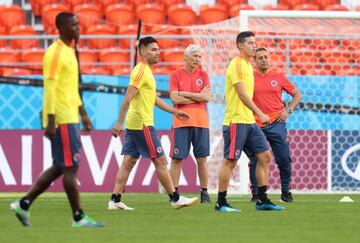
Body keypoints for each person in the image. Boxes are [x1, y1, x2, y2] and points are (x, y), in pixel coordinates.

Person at [10, 12, 103, 227]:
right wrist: (51, 120)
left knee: (60, 167)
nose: (78, 28)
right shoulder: (54, 53)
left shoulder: (70, 51)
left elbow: (70, 89)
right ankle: (78, 217)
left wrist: (84, 114)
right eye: (74, 25)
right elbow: (50, 88)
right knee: (69, 168)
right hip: (61, 119)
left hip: (70, 116)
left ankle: (23, 205)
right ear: (61, 27)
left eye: (79, 24)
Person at [108, 36, 198, 210]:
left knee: (128, 162)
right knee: (161, 161)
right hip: (142, 123)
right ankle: (175, 198)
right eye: (153, 50)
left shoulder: (147, 72)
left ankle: (115, 200)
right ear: (142, 51)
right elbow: (128, 96)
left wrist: (175, 111)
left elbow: (154, 99)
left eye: (158, 50)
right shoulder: (141, 70)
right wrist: (119, 122)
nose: (158, 53)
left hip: (136, 123)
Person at [215, 31, 284, 212]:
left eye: (255, 42)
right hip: (236, 121)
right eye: (251, 43)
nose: (254, 46)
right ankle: (220, 202)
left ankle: (262, 199)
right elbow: (242, 94)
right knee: (230, 161)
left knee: (265, 157)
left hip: (249, 122)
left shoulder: (247, 67)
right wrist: (260, 113)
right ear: (240, 46)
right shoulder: (236, 65)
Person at [249, 47, 302, 203]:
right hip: (256, 125)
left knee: (284, 159)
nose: (264, 60)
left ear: (269, 58)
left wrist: (288, 110)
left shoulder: (278, 77)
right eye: (260, 57)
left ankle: (286, 191)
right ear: (255, 60)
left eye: (266, 57)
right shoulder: (249, 77)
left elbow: (297, 95)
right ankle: (256, 193)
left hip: (277, 124)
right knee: (256, 160)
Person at [168, 44, 211, 203]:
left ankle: (204, 192)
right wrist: (196, 96)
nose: (197, 60)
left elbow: (206, 98)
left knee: (202, 159)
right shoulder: (175, 74)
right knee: (176, 159)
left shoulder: (204, 74)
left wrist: (184, 94)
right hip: (181, 121)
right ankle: (174, 194)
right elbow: (174, 98)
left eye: (199, 57)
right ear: (185, 57)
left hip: (201, 122)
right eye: (194, 56)